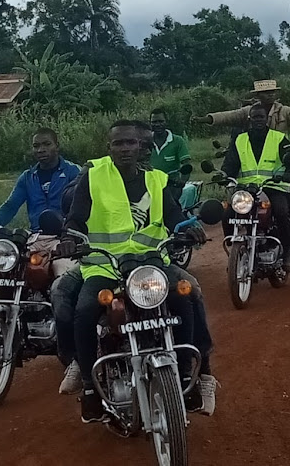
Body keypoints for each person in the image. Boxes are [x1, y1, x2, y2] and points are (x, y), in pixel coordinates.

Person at [63, 120, 216, 423]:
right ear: (109, 148)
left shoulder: (156, 180)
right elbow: (76, 219)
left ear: (141, 147)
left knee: (186, 298)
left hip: (152, 264)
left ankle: (190, 373)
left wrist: (189, 227)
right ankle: (91, 387)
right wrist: (70, 238)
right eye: (118, 143)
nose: (124, 148)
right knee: (84, 309)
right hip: (104, 265)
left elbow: (173, 216)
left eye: (130, 143)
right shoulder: (93, 178)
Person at [192, 79, 290, 261]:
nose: (270, 95)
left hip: (277, 180)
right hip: (247, 186)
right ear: (256, 100)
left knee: (287, 210)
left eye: (273, 92)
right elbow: (227, 118)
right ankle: (234, 247)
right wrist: (208, 119)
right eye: (266, 93)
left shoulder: (282, 118)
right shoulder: (242, 135)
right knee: (228, 211)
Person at [221, 103, 290, 272]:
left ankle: (287, 252)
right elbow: (231, 162)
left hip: (273, 187)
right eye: (255, 117)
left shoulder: (278, 138)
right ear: (250, 119)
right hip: (246, 188)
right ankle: (234, 251)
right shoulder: (240, 139)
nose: (258, 120)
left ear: (267, 119)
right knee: (228, 211)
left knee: (281, 211)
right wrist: (223, 174)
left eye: (261, 117)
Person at [0, 127, 81, 230]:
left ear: (57, 146)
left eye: (47, 144)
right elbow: (11, 206)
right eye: (36, 146)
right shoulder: (27, 177)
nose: (41, 150)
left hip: (67, 235)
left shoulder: (74, 172)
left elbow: (82, 205)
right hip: (36, 236)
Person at [150, 108, 192, 202]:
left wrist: (181, 183)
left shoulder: (177, 141)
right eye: (154, 122)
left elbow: (186, 164)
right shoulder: (146, 142)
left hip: (171, 186)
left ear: (166, 122)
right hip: (150, 186)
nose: (157, 125)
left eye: (160, 121)